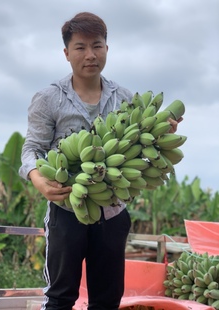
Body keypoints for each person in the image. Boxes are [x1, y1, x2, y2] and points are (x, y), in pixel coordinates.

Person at [19, 12, 181, 310]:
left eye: (98, 45)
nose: (90, 55)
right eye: (80, 47)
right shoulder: (48, 99)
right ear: (67, 53)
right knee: (59, 297)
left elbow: (140, 149)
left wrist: (162, 133)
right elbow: (31, 149)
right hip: (67, 209)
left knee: (107, 300)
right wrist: (38, 178)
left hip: (113, 212)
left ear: (107, 48)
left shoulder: (127, 99)